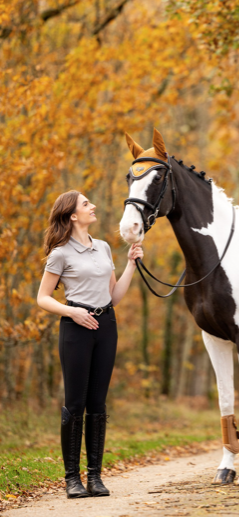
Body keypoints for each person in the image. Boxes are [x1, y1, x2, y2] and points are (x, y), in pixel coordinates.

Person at [37, 190, 143, 498]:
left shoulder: (104, 247)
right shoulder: (60, 253)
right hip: (76, 329)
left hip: (106, 326)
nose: (92, 206)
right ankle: (72, 478)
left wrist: (131, 265)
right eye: (86, 204)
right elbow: (43, 298)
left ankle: (95, 477)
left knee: (98, 403)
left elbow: (115, 297)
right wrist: (73, 311)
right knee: (75, 403)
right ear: (72, 215)